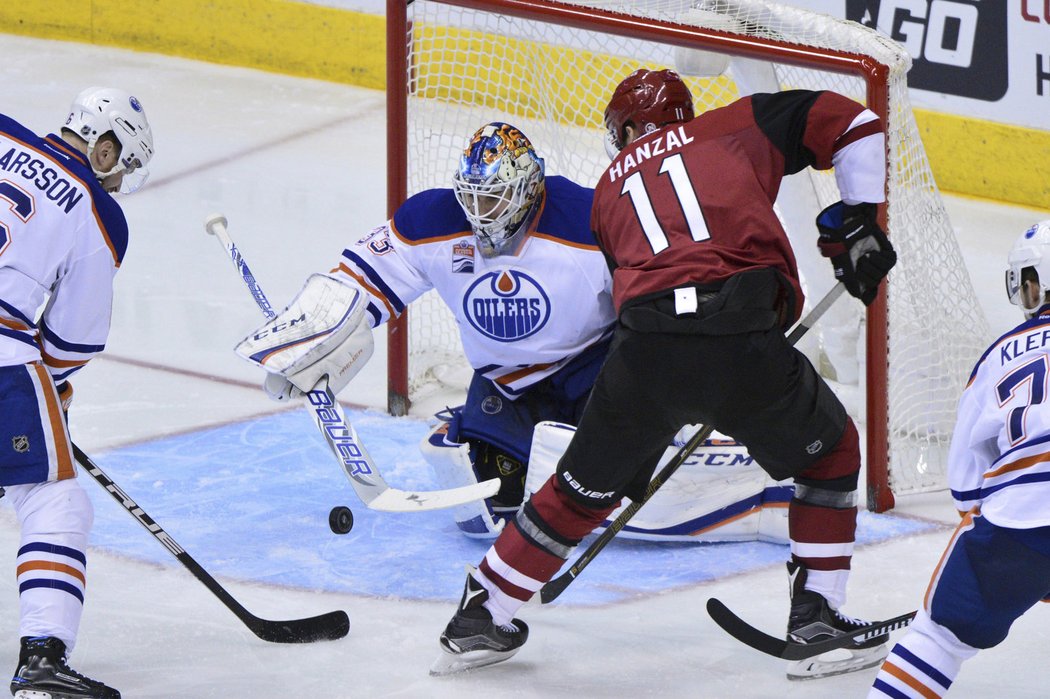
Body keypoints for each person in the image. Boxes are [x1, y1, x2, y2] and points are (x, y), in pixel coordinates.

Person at [431, 68, 897, 679]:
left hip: (643, 351)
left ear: (625, 130)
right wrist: (859, 222)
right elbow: (857, 123)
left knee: (578, 488)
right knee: (830, 453)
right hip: (742, 337)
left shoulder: (605, 191)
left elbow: (636, 279)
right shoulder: (735, 125)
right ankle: (817, 618)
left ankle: (480, 614)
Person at [244, 122, 616, 536]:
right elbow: (354, 286)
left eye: (494, 198)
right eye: (472, 197)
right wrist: (307, 345)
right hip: (506, 387)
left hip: (593, 373)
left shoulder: (591, 219)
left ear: (529, 188)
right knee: (496, 506)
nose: (481, 213)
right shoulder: (432, 221)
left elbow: (649, 297)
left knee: (604, 487)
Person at [0, 87, 154, 698]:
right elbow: (74, 339)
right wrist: (51, 386)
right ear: (105, 146)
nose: (120, 182)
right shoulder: (96, 209)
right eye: (123, 165)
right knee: (54, 499)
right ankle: (41, 661)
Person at [869, 220, 1050, 698]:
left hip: (1021, 520)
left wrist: (1017, 559)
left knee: (939, 637)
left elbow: (968, 483)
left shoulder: (1001, 355)